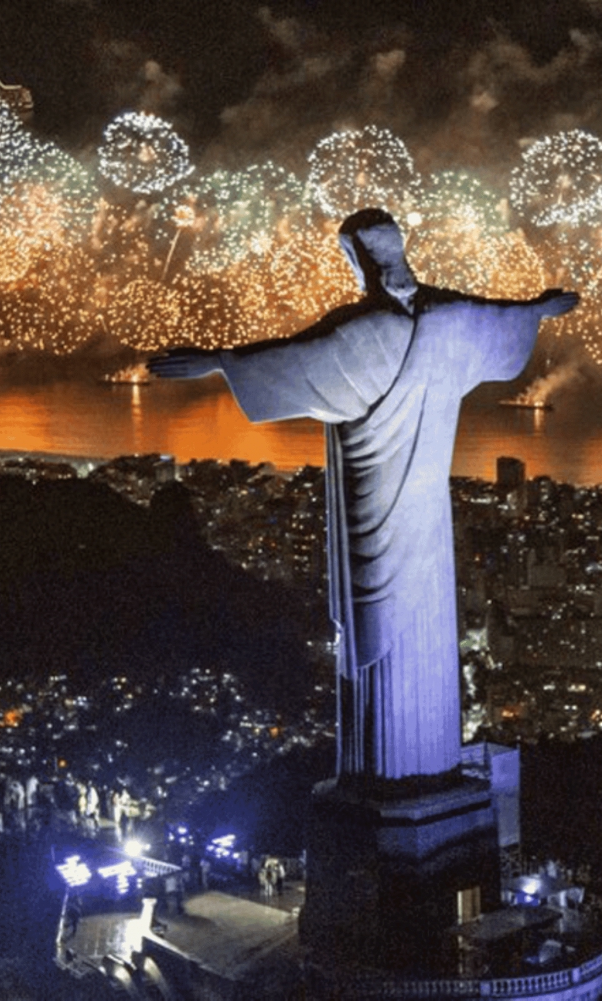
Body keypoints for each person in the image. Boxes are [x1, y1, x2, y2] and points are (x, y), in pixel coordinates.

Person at [151, 208, 577, 782]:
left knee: (375, 633)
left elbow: (293, 360)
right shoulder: (449, 316)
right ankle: (429, 764)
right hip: (428, 515)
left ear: (356, 260)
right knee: (424, 626)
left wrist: (217, 363)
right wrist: (539, 310)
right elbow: (498, 318)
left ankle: (384, 773)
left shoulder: (361, 332)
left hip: (372, 503)